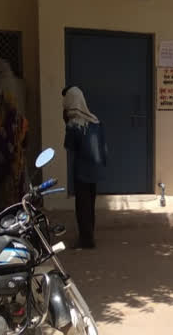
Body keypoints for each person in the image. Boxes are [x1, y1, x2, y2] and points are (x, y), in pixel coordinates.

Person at [63, 87, 107, 249]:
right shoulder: (95, 120)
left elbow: (69, 146)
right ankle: (90, 235)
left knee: (81, 205)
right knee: (90, 203)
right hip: (94, 169)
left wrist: (65, 123)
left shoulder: (74, 124)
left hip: (81, 169)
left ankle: (86, 240)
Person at [0, 59, 29, 211]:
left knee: (4, 179)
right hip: (19, 135)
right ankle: (19, 205)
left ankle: (4, 209)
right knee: (19, 174)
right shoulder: (21, 84)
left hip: (7, 141)